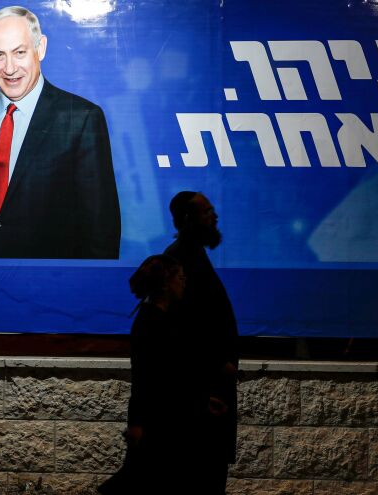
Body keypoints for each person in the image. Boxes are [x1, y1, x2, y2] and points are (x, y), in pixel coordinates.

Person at [0, 6, 120, 259]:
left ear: (41, 48)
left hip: (54, 287)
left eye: (20, 52)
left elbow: (101, 226)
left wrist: (88, 290)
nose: (9, 68)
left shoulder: (81, 118)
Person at [99, 255, 197, 494]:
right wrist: (138, 423)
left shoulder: (162, 319)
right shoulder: (151, 323)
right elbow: (145, 376)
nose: (184, 282)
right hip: (158, 419)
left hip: (164, 417)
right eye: (180, 278)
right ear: (165, 284)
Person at [164, 191, 238, 493]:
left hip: (209, 395)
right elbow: (183, 332)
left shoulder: (193, 255)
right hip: (201, 400)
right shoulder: (180, 260)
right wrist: (207, 386)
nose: (215, 216)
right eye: (207, 211)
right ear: (187, 219)